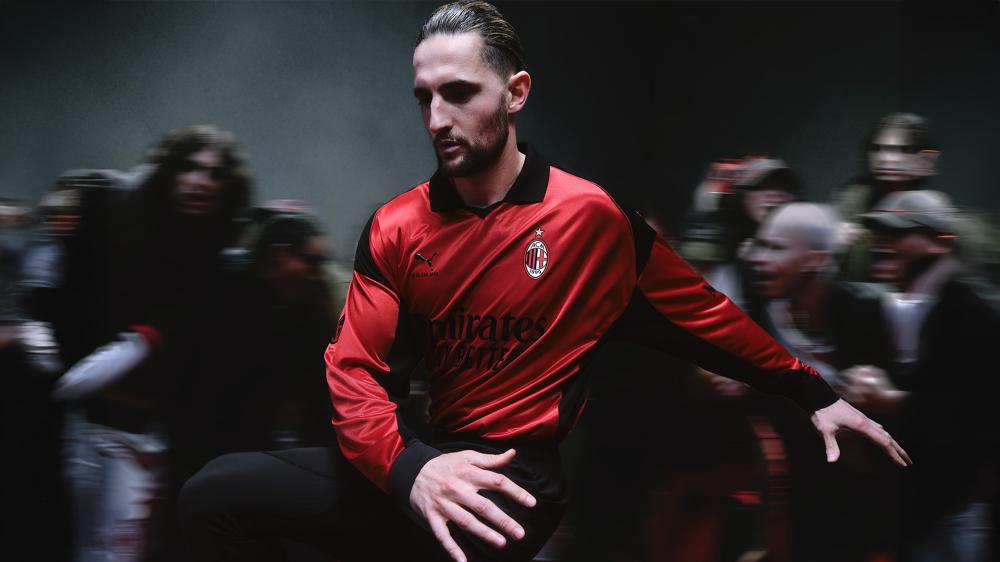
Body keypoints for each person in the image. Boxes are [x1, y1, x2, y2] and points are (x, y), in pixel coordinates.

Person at [180, 3, 910, 562]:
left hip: (514, 480)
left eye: (459, 93)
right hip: (420, 461)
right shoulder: (398, 226)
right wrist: (410, 467)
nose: (437, 118)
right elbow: (353, 371)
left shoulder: (590, 219)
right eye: (424, 98)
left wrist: (811, 392)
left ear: (516, 93)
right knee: (214, 492)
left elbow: (702, 315)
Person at [50, 125, 252, 562]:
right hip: (96, 423)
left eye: (214, 174)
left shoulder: (216, 264)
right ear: (169, 173)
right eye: (190, 168)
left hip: (158, 432)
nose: (200, 182)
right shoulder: (122, 231)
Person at [843, 190, 998, 562]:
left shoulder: (974, 316)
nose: (881, 243)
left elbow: (980, 414)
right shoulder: (875, 310)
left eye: (897, 233)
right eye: (877, 232)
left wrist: (896, 401)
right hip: (904, 506)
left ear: (940, 242)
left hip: (958, 507)